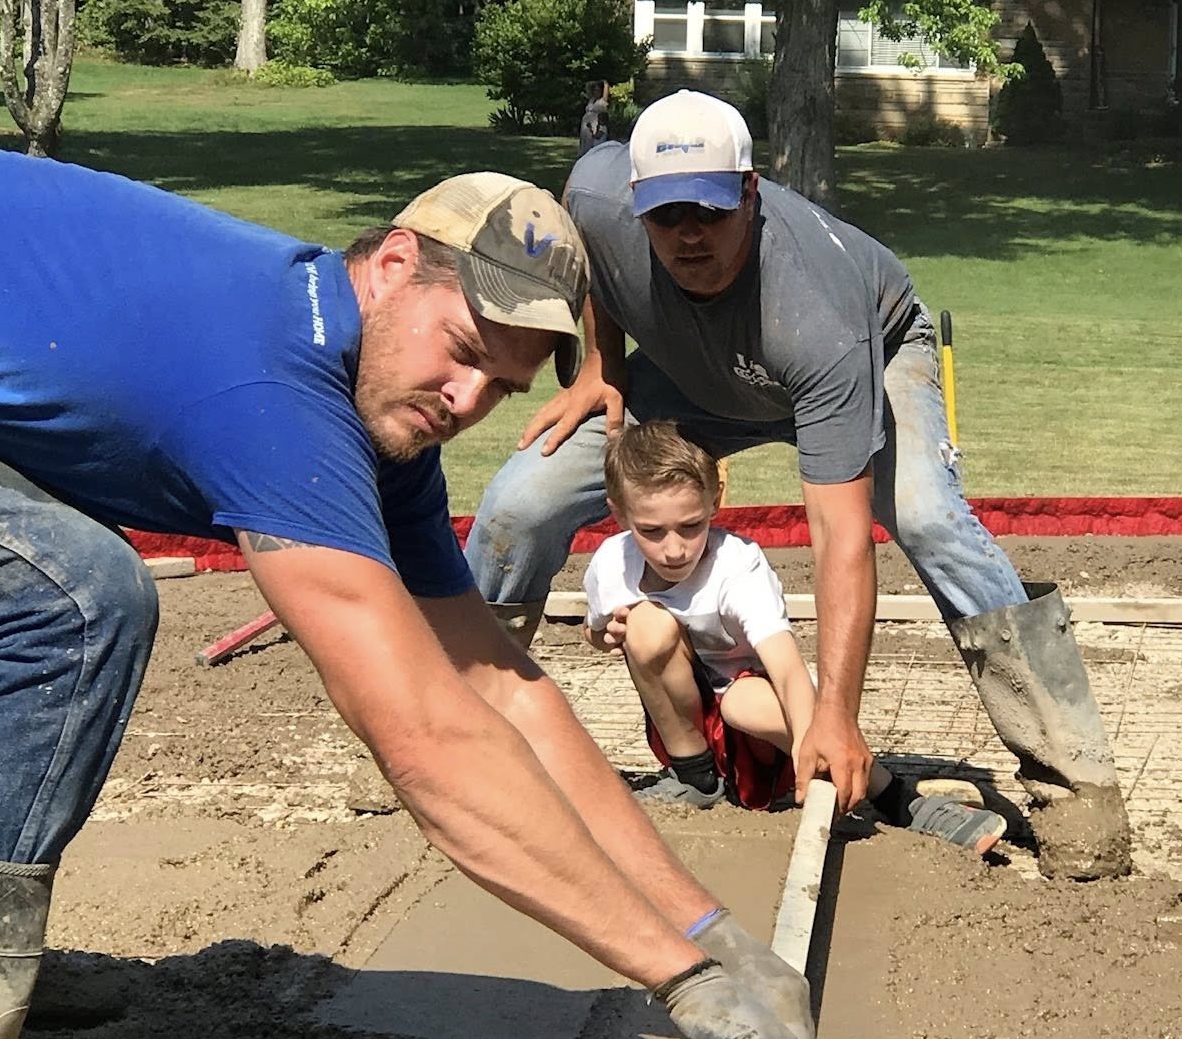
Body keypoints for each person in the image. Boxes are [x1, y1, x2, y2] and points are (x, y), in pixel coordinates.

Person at [0, 144, 811, 1039]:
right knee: (73, 597)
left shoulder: (381, 423)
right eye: (461, 346)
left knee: (31, 577)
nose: (464, 397)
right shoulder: (278, 389)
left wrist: (712, 933)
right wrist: (680, 982)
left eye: (498, 382)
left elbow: (501, 692)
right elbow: (427, 741)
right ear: (395, 264)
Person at [465, 88, 1131, 882]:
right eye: (666, 214)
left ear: (750, 191)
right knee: (519, 504)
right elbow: (590, 249)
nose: (687, 235)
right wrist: (603, 365)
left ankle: (1074, 784)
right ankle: (455, 731)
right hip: (693, 378)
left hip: (868, 358)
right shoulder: (602, 194)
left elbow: (841, 538)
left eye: (708, 212)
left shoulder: (814, 310)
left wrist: (837, 719)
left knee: (925, 517)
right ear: (637, 203)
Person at [587, 423, 1007, 850]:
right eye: (652, 532)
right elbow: (598, 629)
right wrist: (603, 638)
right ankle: (693, 778)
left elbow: (787, 670)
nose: (674, 549)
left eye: (691, 526)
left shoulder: (737, 567)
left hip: (759, 734)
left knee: (742, 702)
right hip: (685, 721)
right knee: (646, 626)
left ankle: (895, 797)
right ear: (619, 514)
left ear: (716, 501)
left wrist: (818, 753)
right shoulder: (611, 563)